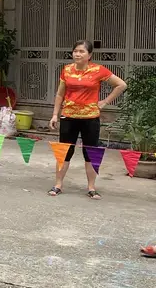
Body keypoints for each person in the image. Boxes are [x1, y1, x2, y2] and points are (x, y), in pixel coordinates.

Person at [48, 40, 126, 200]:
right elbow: (60, 94)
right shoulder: (67, 70)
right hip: (68, 116)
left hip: (90, 118)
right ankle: (58, 185)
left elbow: (121, 85)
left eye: (82, 51)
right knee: (64, 152)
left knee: (91, 153)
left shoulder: (98, 70)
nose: (77, 54)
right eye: (75, 51)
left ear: (89, 55)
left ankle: (91, 187)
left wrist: (104, 102)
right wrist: (55, 114)